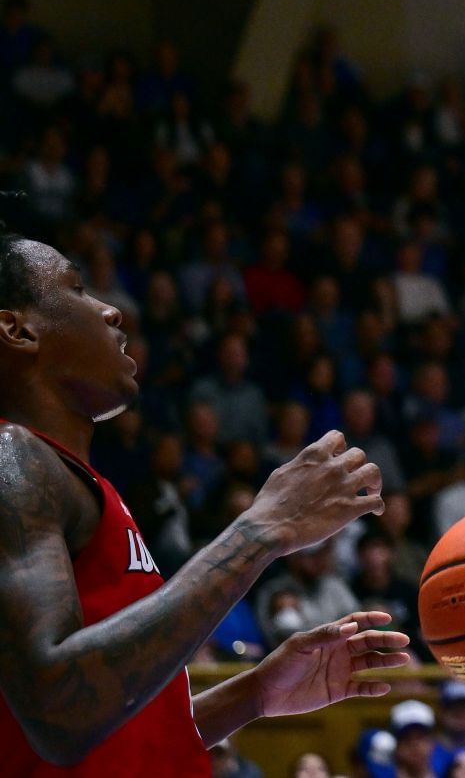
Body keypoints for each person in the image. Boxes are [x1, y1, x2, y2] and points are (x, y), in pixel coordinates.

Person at [0, 225, 410, 773]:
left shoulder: (68, 476)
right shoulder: (13, 459)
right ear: (16, 329)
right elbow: (59, 710)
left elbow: (111, 726)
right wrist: (260, 531)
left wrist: (255, 693)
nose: (112, 311)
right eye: (76, 289)